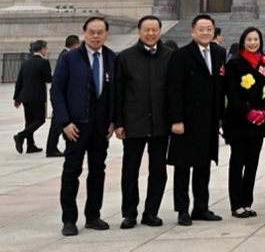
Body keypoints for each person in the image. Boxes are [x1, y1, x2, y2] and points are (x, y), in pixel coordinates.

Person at [50, 16, 117, 236]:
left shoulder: (111, 58)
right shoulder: (70, 58)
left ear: (107, 34)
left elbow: (116, 92)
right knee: (72, 172)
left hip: (101, 127)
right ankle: (69, 219)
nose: (95, 36)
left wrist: (113, 120)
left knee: (98, 171)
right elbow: (57, 91)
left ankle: (93, 216)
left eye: (100, 32)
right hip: (75, 126)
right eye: (91, 32)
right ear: (84, 33)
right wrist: (65, 122)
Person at [113, 15, 172, 229]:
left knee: (158, 171)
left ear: (160, 31)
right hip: (133, 124)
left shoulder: (169, 56)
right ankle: (129, 213)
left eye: (154, 29)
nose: (150, 33)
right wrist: (118, 123)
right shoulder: (126, 57)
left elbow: (174, 92)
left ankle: (151, 212)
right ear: (139, 31)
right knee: (130, 171)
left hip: (160, 124)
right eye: (146, 29)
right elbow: (118, 93)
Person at [166, 13, 226, 226]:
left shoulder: (219, 53)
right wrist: (176, 119)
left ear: (214, 31)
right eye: (201, 29)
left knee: (203, 165)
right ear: (192, 31)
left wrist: (220, 117)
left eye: (209, 29)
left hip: (208, 120)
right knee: (183, 167)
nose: (205, 32)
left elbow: (219, 87)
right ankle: (182, 209)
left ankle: (201, 207)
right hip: (186, 120)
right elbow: (174, 89)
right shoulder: (181, 55)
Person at [222, 26, 265, 218]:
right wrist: (248, 113)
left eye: (256, 39)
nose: (253, 43)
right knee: (238, 161)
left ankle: (247, 202)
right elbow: (231, 93)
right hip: (239, 121)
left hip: (260, 121)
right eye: (249, 39)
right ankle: (236, 204)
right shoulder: (234, 63)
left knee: (252, 162)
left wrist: (264, 111)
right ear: (243, 41)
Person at [13, 39, 52, 154]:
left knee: (29, 120)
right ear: (42, 49)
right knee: (40, 119)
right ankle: (21, 136)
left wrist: (17, 97)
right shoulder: (44, 63)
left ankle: (30, 145)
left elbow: (19, 81)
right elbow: (48, 79)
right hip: (37, 96)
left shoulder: (26, 63)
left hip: (25, 96)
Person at [45, 34, 80, 158]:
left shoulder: (64, 54)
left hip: (64, 99)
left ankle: (61, 146)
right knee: (57, 125)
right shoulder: (66, 56)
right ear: (76, 44)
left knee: (59, 125)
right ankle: (51, 148)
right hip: (64, 98)